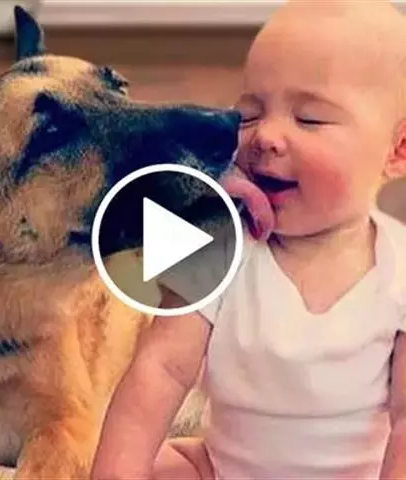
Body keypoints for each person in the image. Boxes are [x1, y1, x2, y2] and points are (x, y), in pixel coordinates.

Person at [91, 1, 406, 478]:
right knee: (156, 461)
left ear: (397, 150)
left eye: (310, 119)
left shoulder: (398, 270)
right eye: (249, 115)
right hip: (223, 469)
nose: (266, 137)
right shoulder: (217, 243)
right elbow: (161, 369)